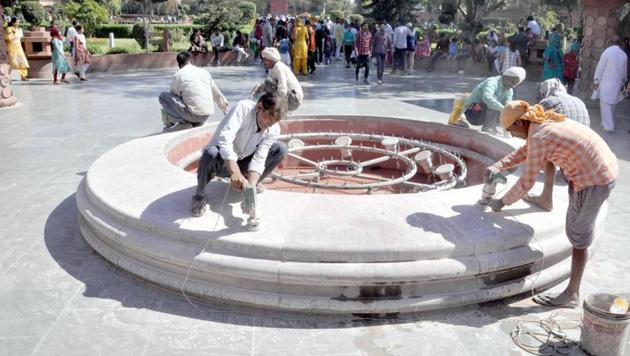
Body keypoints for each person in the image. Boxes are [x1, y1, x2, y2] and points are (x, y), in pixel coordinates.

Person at [487, 100, 618, 309]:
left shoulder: (540, 136)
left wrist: (501, 202)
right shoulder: (540, 124)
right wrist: (499, 165)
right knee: (574, 228)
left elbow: (526, 182)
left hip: (596, 179)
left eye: (511, 130)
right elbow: (526, 152)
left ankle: (572, 293)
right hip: (593, 170)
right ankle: (546, 202)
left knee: (579, 235)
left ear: (521, 122)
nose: (511, 135)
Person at [190, 92, 289, 217]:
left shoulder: (273, 129)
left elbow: (260, 158)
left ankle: (249, 185)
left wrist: (250, 189)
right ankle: (199, 195)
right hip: (222, 162)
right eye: (268, 118)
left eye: (274, 121)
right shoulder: (243, 108)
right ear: (259, 107)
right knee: (211, 153)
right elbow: (225, 140)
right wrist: (235, 173)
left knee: (280, 149)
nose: (269, 124)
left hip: (243, 161)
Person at [159, 52, 229, 129]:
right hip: (206, 115)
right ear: (191, 61)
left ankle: (184, 121)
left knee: (163, 96)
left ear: (179, 65)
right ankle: (194, 120)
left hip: (193, 115)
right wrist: (225, 109)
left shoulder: (178, 75)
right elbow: (215, 92)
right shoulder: (204, 72)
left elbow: (174, 97)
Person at [461, 67, 526, 134]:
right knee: (494, 101)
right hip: (472, 113)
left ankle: (493, 126)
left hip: (484, 114)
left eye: (515, 84)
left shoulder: (509, 90)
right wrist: (504, 109)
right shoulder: (492, 82)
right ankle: (488, 127)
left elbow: (507, 105)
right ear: (505, 76)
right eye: (511, 81)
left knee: (508, 109)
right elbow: (487, 98)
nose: (512, 85)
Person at [251, 47, 303, 111]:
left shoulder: (279, 68)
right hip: (290, 97)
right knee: (267, 84)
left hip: (294, 100)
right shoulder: (275, 67)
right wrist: (259, 87)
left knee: (269, 83)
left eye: (265, 59)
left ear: (271, 58)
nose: (264, 62)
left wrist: (278, 106)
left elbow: (282, 88)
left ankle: (279, 108)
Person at [594, 39, 628, 133]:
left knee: (605, 103)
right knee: (612, 103)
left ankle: (609, 126)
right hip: (617, 83)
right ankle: (605, 123)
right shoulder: (624, 55)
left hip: (606, 82)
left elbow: (600, 67)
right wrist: (624, 81)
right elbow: (624, 71)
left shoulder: (607, 52)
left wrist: (596, 80)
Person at [4, 17, 29, 81]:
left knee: (23, 62)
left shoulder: (19, 29)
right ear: (13, 22)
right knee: (13, 63)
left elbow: (21, 38)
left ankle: (23, 76)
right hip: (12, 48)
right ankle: (7, 76)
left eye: (18, 22)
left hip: (19, 48)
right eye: (16, 22)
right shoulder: (9, 29)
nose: (18, 23)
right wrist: (12, 31)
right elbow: (7, 38)